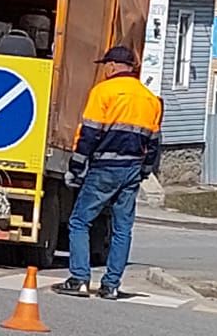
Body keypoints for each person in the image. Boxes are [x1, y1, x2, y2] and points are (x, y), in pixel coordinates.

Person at [54, 45, 162, 300]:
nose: (104, 70)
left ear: (113, 66)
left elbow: (89, 134)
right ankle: (111, 285)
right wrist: (145, 170)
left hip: (104, 168)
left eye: (105, 65)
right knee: (122, 228)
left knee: (80, 221)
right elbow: (155, 142)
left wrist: (76, 167)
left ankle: (79, 279)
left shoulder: (103, 92)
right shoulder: (149, 99)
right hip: (132, 169)